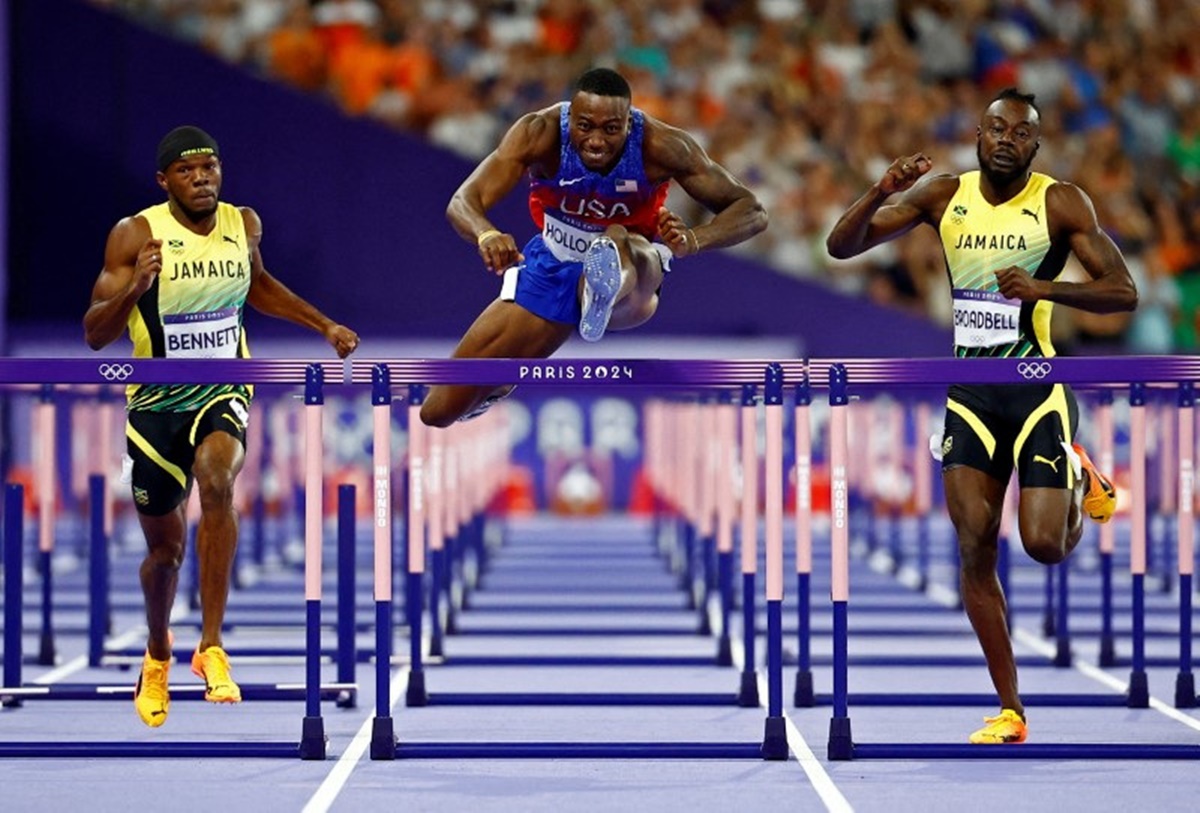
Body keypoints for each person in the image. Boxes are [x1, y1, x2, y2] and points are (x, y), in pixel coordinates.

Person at [826, 88, 1138, 744]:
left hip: (1035, 386)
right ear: (977, 133)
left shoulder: (1060, 202)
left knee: (1045, 545)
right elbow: (841, 244)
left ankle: (1082, 484)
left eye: (1019, 133)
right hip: (970, 389)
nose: (1005, 139)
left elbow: (1123, 292)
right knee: (973, 545)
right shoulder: (944, 195)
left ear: (1035, 144)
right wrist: (880, 188)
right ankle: (1011, 708)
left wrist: (1044, 288)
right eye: (995, 128)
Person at [83, 126, 360, 727]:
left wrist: (323, 325)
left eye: (210, 167)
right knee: (165, 553)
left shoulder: (244, 223)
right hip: (155, 402)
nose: (203, 177)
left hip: (224, 385)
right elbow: (95, 333)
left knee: (217, 479)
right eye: (187, 171)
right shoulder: (136, 233)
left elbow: (258, 286)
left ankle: (211, 646)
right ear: (164, 181)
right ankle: (158, 652)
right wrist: (136, 287)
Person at [418, 67, 768, 427]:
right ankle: (501, 383)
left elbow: (752, 210)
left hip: (632, 277)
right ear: (571, 116)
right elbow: (463, 201)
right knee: (438, 411)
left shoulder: (663, 146)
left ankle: (601, 289)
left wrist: (694, 239)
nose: (596, 140)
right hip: (553, 267)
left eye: (611, 129)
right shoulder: (539, 132)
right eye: (585, 126)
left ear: (629, 123)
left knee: (616, 237)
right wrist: (486, 234)